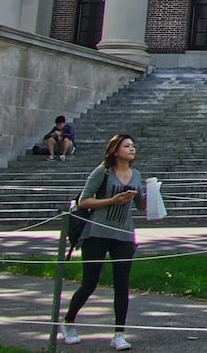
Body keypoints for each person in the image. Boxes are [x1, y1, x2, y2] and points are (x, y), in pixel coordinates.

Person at [61, 134, 146, 350]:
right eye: (127, 146)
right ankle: (68, 322)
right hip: (97, 233)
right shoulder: (103, 172)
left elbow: (141, 206)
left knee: (122, 284)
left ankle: (119, 334)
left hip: (124, 235)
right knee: (90, 283)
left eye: (133, 146)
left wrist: (151, 195)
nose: (132, 149)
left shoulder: (136, 174)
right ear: (115, 150)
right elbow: (83, 201)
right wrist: (113, 200)